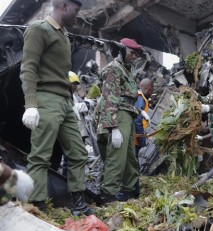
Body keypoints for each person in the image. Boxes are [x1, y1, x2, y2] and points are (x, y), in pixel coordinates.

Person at [20, 0, 93, 215]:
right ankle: (37, 205)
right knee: (41, 155)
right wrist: (31, 104)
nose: (77, 16)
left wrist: (73, 102)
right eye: (76, 11)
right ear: (63, 6)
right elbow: (28, 68)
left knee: (78, 153)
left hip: (64, 101)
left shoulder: (64, 36)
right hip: (46, 99)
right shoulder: (39, 29)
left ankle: (78, 203)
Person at [96, 38, 142, 203]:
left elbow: (128, 96)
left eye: (137, 54)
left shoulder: (126, 70)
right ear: (122, 51)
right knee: (117, 157)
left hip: (128, 114)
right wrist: (113, 127)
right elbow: (110, 98)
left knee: (130, 157)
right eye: (132, 53)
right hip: (118, 115)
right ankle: (107, 196)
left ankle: (128, 193)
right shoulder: (115, 69)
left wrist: (140, 112)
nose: (135, 57)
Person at [134, 78, 152, 155]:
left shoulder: (138, 97)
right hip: (135, 139)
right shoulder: (140, 98)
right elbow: (137, 121)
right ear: (149, 88)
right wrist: (142, 143)